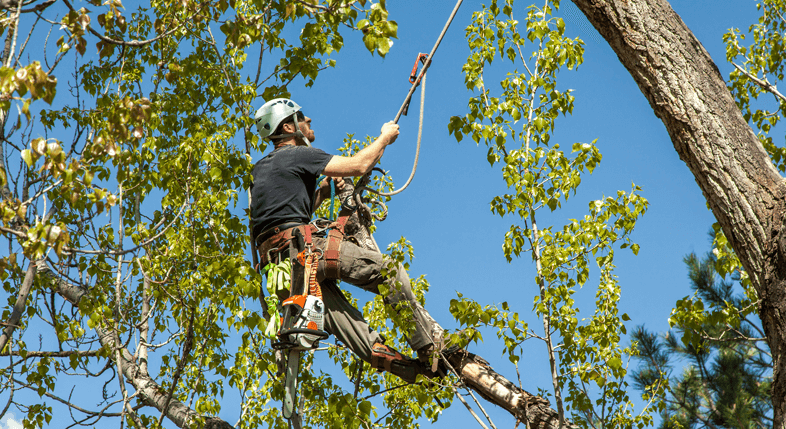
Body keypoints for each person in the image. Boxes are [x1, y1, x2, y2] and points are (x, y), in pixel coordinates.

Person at [250, 98, 444, 383]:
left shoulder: (260, 170)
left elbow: (281, 217)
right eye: (302, 117)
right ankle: (429, 348)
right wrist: (384, 138)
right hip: (306, 252)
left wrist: (322, 193)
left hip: (283, 272)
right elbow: (359, 165)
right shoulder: (298, 155)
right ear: (289, 127)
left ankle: (415, 373)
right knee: (390, 272)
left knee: (350, 328)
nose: (309, 121)